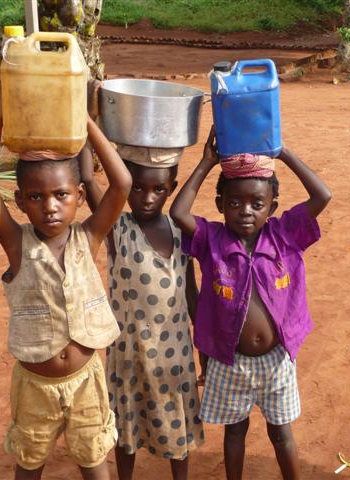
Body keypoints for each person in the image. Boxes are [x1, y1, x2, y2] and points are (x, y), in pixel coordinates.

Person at [0, 84, 132, 480]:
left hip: (85, 383)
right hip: (35, 389)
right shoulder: (17, 244)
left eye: (61, 194)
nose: (50, 206)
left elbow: (122, 183)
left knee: (95, 463)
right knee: (29, 465)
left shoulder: (89, 236)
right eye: (36, 196)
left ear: (79, 195)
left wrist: (84, 119)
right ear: (21, 200)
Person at [170, 127, 331, 480]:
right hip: (230, 362)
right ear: (220, 206)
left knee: (281, 432)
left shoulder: (284, 234)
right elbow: (179, 213)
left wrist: (282, 151)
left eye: (257, 204)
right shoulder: (211, 238)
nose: (245, 211)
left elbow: (322, 195)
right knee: (235, 431)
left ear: (272, 206)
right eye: (234, 203)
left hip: (277, 361)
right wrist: (207, 163)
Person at [78, 141, 204, 480]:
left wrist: (204, 347)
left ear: (171, 190)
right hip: (128, 354)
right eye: (136, 187)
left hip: (173, 355)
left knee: (176, 424)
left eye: (158, 189)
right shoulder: (117, 229)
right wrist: (87, 129)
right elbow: (90, 181)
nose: (147, 197)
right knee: (125, 425)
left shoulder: (180, 231)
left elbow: (191, 293)